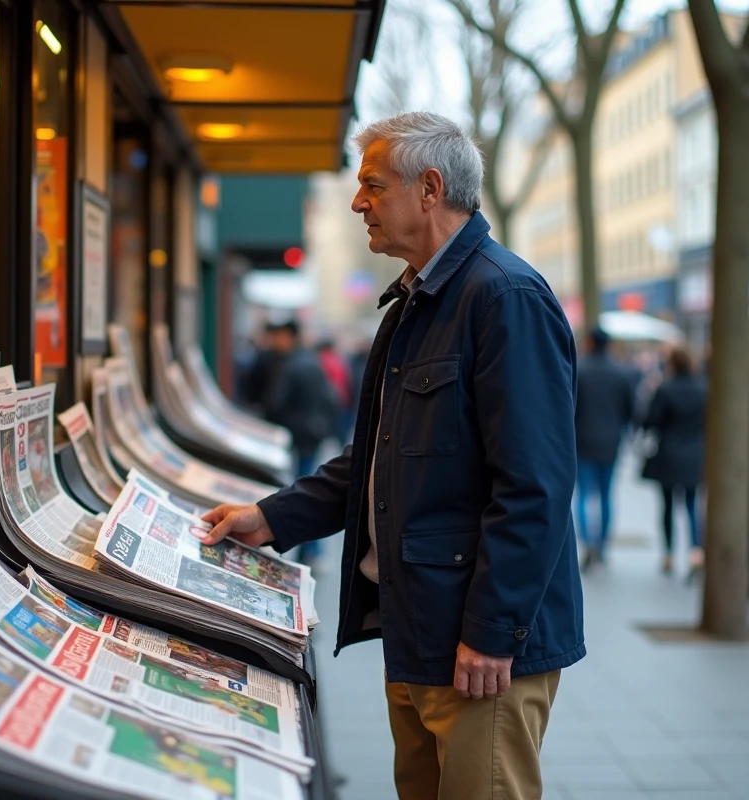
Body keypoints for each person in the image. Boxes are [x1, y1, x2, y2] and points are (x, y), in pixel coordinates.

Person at [197, 112, 583, 800]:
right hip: (420, 631)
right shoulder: (418, 299)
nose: (357, 202)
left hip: (477, 651)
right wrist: (273, 517)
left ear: (430, 188)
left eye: (372, 185)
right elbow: (374, 456)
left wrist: (493, 632)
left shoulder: (504, 297)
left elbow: (536, 486)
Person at [260, 319, 338, 565]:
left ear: (288, 336)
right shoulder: (311, 362)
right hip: (313, 432)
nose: (274, 342)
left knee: (305, 488)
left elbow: (276, 403)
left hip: (298, 434)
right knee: (312, 485)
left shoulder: (293, 365)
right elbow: (329, 399)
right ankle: (312, 551)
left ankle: (310, 550)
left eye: (278, 336)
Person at [640, 344, 706, 577]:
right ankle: (696, 552)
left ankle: (668, 554)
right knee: (692, 505)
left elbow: (650, 421)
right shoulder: (704, 388)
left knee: (667, 506)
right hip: (696, 453)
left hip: (668, 453)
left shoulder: (665, 389)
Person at [573, 326, 636, 569]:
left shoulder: (579, 370)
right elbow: (630, 411)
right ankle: (603, 545)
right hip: (611, 442)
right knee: (607, 495)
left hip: (582, 441)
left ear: (589, 342)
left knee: (583, 495)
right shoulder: (621, 373)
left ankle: (588, 542)